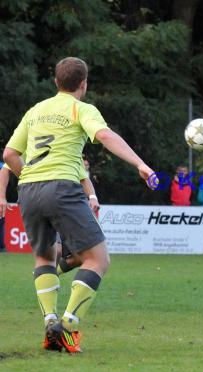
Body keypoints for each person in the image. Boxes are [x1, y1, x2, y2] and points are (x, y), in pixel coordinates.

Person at [2, 57, 154, 353]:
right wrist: (140, 164)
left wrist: (31, 177)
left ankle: (50, 322)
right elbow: (104, 135)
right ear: (83, 84)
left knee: (45, 259)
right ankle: (67, 327)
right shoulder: (80, 108)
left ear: (55, 82)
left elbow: (9, 154)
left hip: (28, 190)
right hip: (62, 187)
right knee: (98, 259)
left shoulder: (35, 110)